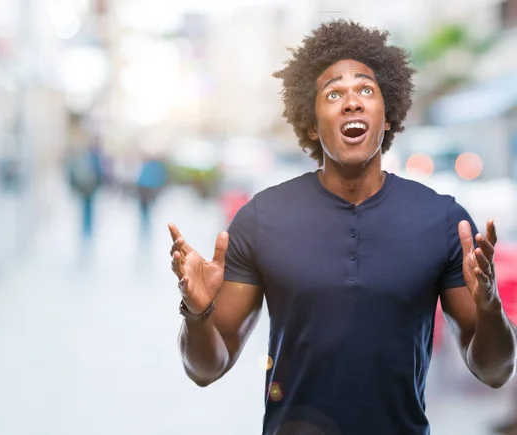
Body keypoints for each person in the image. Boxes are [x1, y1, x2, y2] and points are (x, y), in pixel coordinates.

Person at [167, 20, 517, 435]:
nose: (352, 102)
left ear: (387, 117)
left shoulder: (443, 220)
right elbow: (206, 369)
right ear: (313, 124)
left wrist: (490, 306)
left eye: (366, 90)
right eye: (334, 93)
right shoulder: (262, 219)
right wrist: (196, 312)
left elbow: (494, 371)